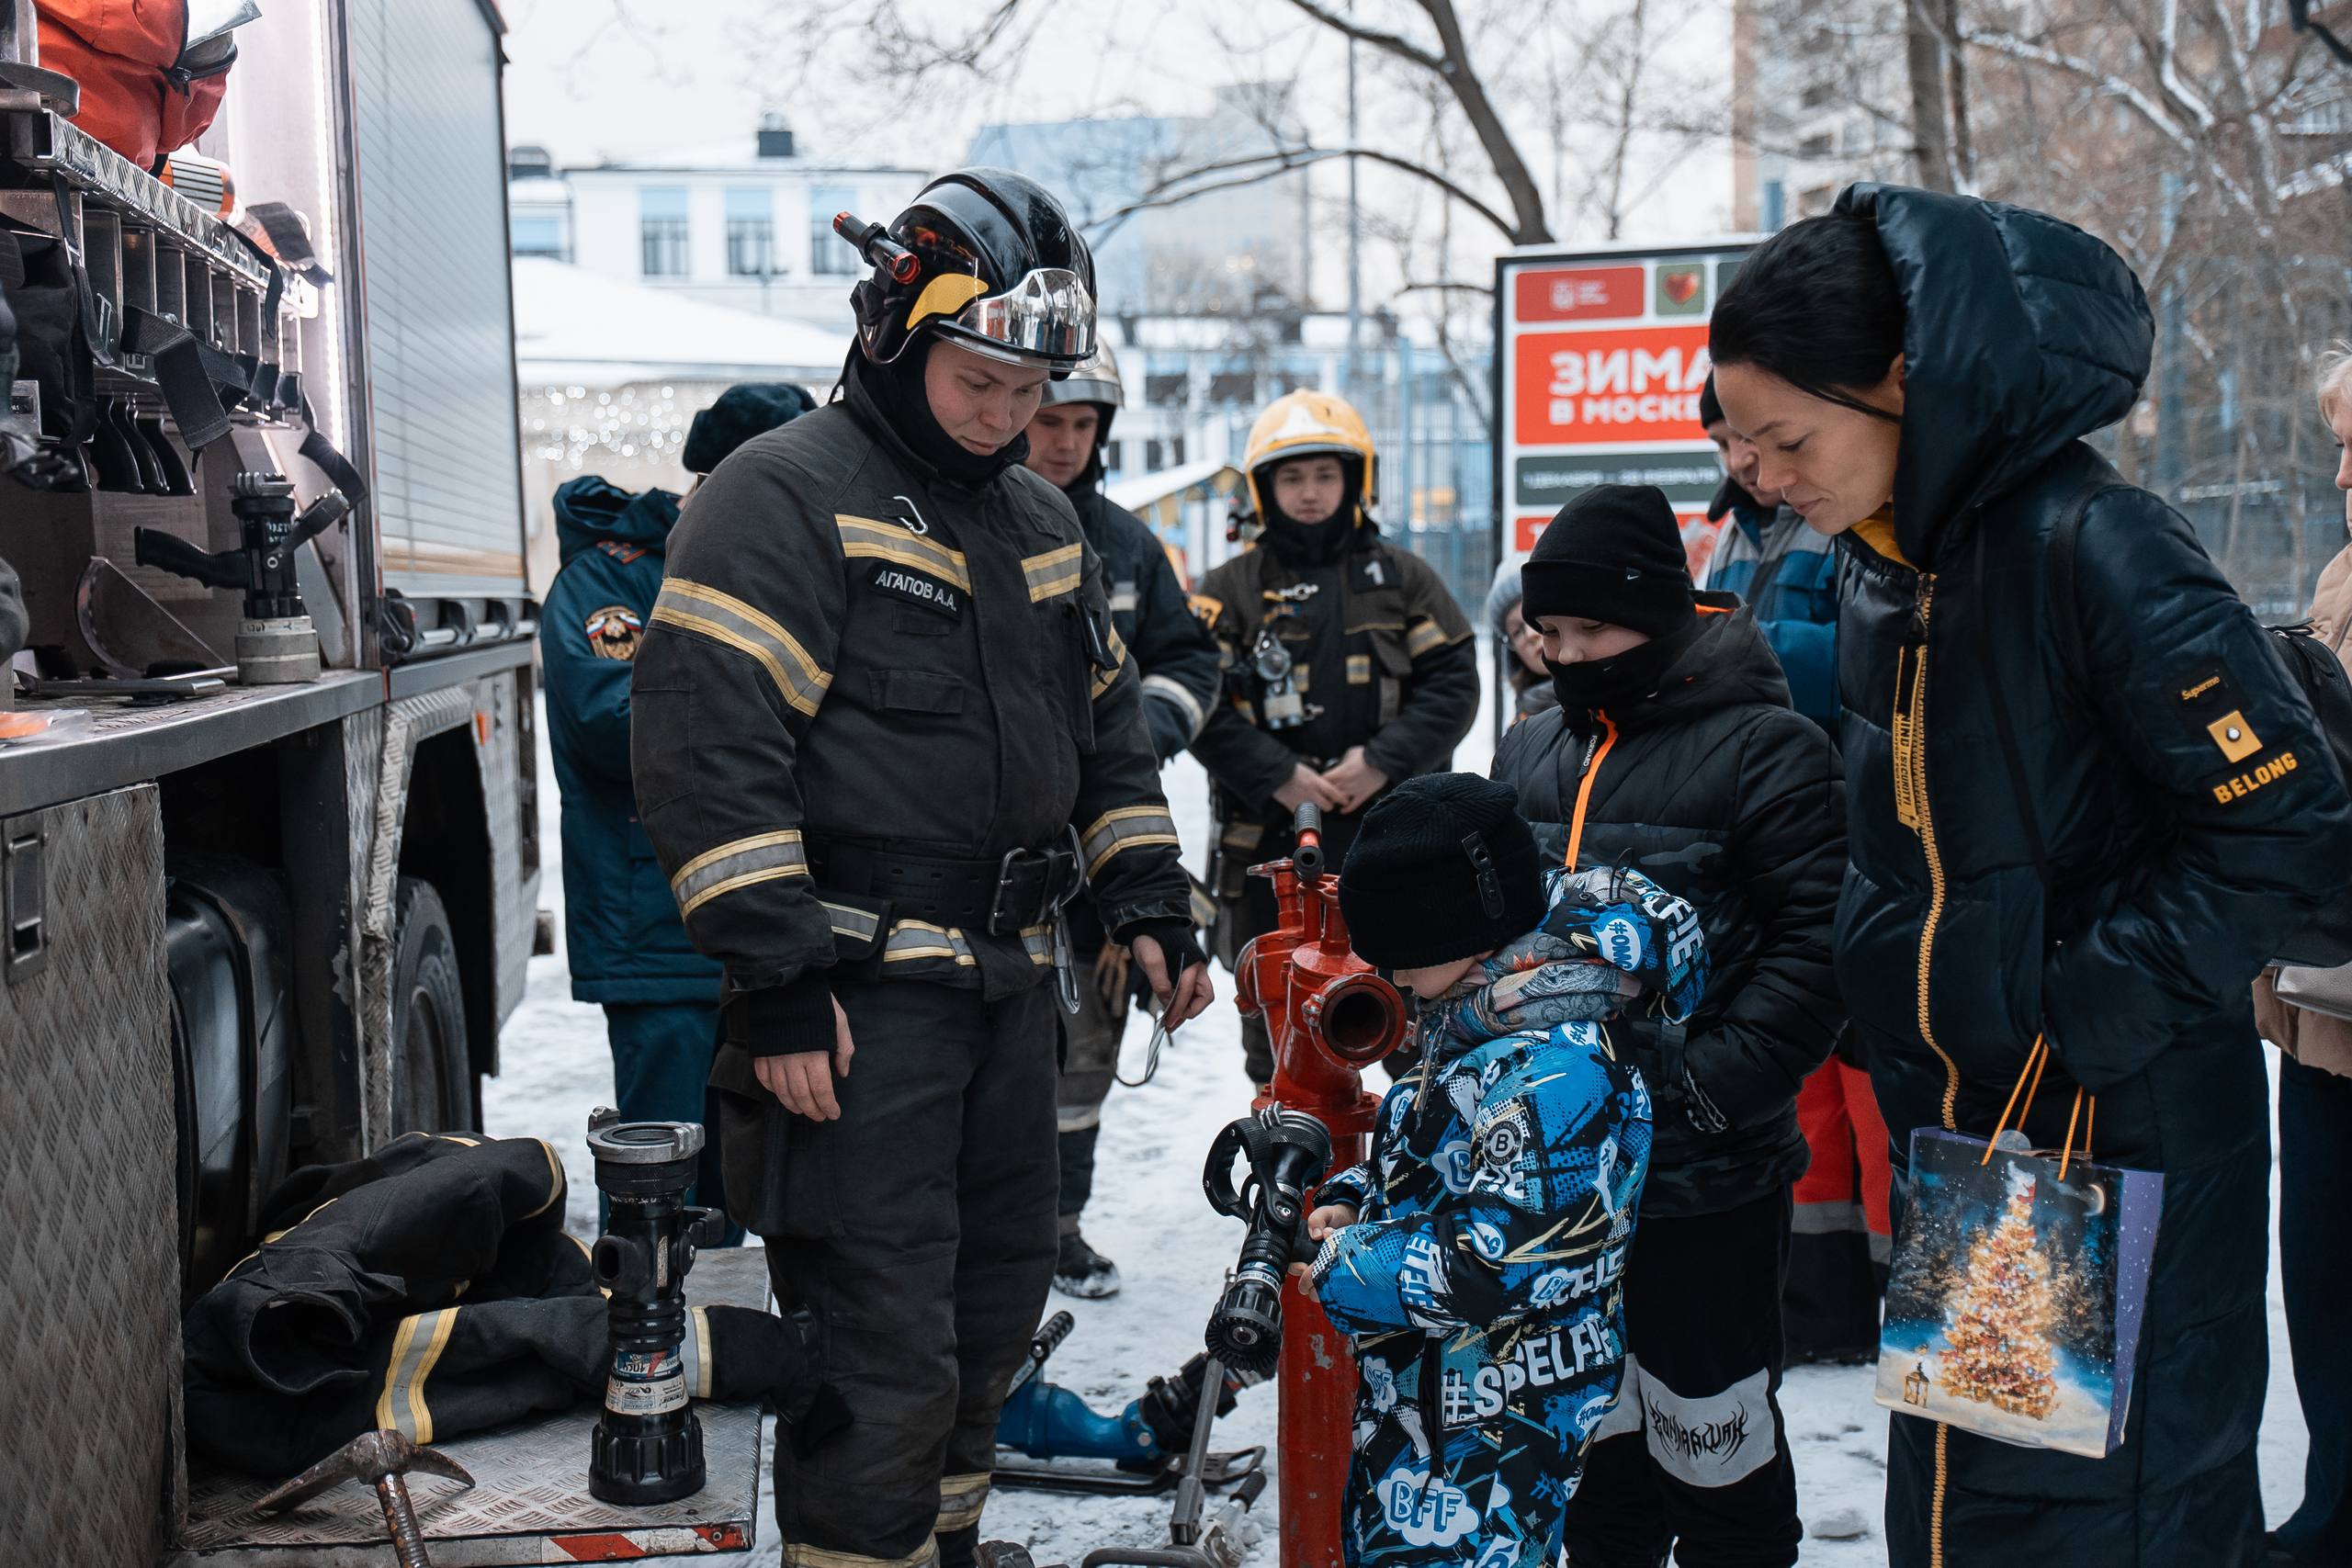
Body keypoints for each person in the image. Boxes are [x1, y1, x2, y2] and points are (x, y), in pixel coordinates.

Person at [1707, 184, 2352, 1568]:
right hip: (1982, 1139)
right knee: (1975, 1501)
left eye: (1787, 437)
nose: (1758, 474)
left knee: (2108, 1519)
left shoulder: (2096, 543)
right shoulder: (1892, 565)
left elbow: (2291, 824)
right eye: (1739, 439)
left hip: (2114, 1132)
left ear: (1903, 383)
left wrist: (2088, 1001)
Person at [631, 168, 1212, 1568]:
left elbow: (1106, 737)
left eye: (1033, 390)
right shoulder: (780, 497)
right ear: (894, 329)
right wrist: (777, 980)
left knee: (989, 1313)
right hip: (854, 1010)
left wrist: (1145, 895)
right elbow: (710, 749)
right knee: (876, 1343)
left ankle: (942, 1547)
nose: (1009, 417)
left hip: (1007, 993)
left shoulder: (1041, 524)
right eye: (979, 382)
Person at [1492, 482, 1843, 1568]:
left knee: (1713, 1438)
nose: (1564, 655)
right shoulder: (1530, 747)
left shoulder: (1770, 749)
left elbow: (1819, 946)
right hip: (1558, 1179)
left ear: (1657, 612)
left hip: (1705, 1178)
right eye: (1548, 632)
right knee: (1592, 1440)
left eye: (1589, 631)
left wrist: (1705, 1082)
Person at [1303, 772, 1679, 1566]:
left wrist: (1347, 1263)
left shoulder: (1552, 1070)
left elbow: (1496, 1261)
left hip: (1498, 1420)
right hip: (1438, 1393)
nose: (1389, 975)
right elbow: (1444, 1162)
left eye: (1401, 953)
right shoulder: (1484, 1015)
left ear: (1464, 928)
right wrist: (1359, 1198)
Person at [539, 382, 810, 1235]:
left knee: (755, 1181)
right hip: (655, 928)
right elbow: (615, 725)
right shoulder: (607, 578)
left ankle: (729, 1317)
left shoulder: (789, 573)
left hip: (770, 937)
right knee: (662, 1187)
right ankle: (650, 1319)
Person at [1189, 389, 1478, 1084]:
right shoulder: (1226, 591)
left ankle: (1412, 1149)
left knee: (1417, 1047)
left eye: (1325, 474)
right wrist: (1277, 775)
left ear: (1356, 479)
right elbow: (1195, 702)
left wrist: (1381, 761)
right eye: (1292, 477)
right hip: (1269, 860)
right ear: (1264, 489)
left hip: (1395, 856)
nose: (1310, 492)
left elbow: (1454, 685)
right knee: (1283, 1057)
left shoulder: (1404, 580)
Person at [1020, 338, 1222, 1297]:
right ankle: (996, 1240)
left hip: (1101, 859)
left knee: (1087, 1055)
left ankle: (1060, 1228)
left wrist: (1135, 731)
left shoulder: (1130, 544)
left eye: (1081, 424)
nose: (1064, 443)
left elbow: (1189, 660)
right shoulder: (958, 522)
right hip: (990, 853)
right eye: (1047, 420)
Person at [2250, 342, 2352, 1568]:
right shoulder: (2340, 572)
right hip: (2320, 1010)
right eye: (2336, 446)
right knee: (2321, 1292)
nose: (2339, 475)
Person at [1696, 374, 1839, 730]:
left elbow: (1875, 659)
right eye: (1722, 444)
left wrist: (1731, 645)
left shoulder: (1846, 514)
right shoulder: (1730, 532)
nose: (1737, 461)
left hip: (1834, 756)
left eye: (1746, 435)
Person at [1484, 556, 1558, 726]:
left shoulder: (1606, 703)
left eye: (1537, 616)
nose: (1531, 634)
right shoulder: (1520, 726)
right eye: (1517, 632)